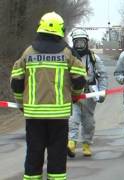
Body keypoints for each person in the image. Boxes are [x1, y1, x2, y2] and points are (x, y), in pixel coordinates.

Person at [10, 12, 86, 180]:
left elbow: (16, 81)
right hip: (59, 116)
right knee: (57, 156)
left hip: (34, 115)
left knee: (33, 155)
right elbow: (80, 79)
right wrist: (74, 96)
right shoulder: (68, 54)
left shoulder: (28, 52)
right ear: (60, 30)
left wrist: (21, 102)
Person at [67, 28, 108, 157]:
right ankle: (71, 144)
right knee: (72, 120)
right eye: (77, 42)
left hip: (89, 94)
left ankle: (86, 144)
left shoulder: (93, 58)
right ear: (73, 42)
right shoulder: (68, 57)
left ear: (86, 42)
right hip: (73, 94)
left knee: (88, 122)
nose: (80, 45)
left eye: (82, 42)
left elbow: (102, 76)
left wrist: (102, 92)